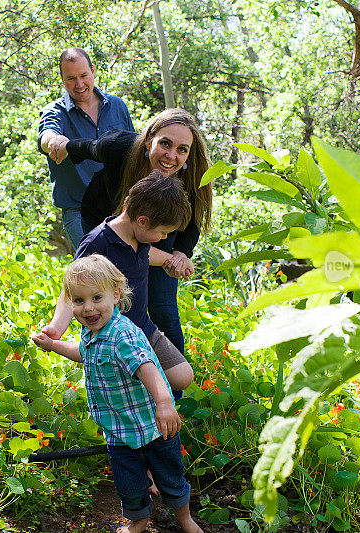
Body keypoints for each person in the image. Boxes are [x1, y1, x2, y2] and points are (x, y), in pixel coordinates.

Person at [32, 255, 203, 533]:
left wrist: (164, 404)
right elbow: (82, 352)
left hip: (154, 428)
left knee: (171, 479)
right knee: (129, 484)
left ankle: (185, 519)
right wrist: (54, 344)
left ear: (116, 294)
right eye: (78, 301)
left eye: (96, 297)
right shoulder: (92, 331)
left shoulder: (123, 335)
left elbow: (148, 369)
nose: (88, 308)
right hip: (120, 433)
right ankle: (139, 521)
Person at [49, 108, 213, 359]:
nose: (172, 156)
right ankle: (110, 364)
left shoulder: (192, 175)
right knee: (105, 296)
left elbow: (192, 220)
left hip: (159, 228)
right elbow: (90, 147)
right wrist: (65, 145)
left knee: (163, 307)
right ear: (149, 139)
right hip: (106, 222)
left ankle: (170, 389)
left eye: (182, 149)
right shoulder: (119, 148)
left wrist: (180, 254)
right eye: (165, 144)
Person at [40, 173, 195, 394]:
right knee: (132, 386)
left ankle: (144, 385)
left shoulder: (140, 238)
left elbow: (146, 254)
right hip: (111, 335)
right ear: (142, 221)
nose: (163, 237)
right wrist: (56, 329)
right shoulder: (97, 243)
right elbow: (72, 288)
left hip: (142, 327)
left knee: (183, 376)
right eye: (162, 232)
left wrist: (170, 260)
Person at [38, 47, 135, 249]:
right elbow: (46, 137)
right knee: (97, 267)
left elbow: (133, 151)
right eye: (71, 78)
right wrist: (56, 142)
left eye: (83, 75)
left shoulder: (117, 105)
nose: (79, 84)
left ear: (92, 70)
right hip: (78, 210)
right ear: (62, 79)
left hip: (120, 207)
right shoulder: (54, 112)